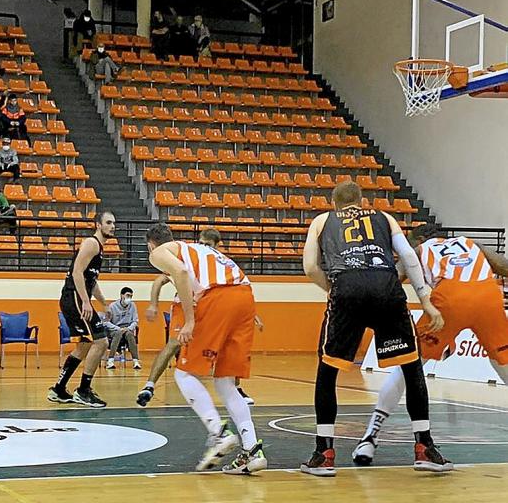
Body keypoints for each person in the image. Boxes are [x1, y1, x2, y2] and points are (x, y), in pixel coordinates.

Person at [300, 181, 452, 476]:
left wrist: (331, 287)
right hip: (386, 285)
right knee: (411, 367)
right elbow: (409, 257)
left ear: (334, 204)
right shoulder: (384, 217)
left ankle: (324, 453)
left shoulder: (322, 221)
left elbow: (309, 267)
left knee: (328, 369)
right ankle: (425, 448)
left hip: (347, 284)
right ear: (362, 201)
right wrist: (427, 302)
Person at [352, 224, 508, 466]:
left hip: (449, 300)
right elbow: (503, 266)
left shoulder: (418, 250)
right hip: (489, 295)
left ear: (421, 239)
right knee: (503, 363)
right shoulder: (469, 242)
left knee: (409, 367)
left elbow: (390, 281)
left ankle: (369, 440)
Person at [145, 223, 267, 474]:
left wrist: (190, 320)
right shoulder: (197, 249)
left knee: (184, 373)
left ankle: (219, 433)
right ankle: (252, 450)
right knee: (225, 382)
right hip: (245, 296)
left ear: (151, 244)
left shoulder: (159, 253)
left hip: (218, 297)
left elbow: (178, 272)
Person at [138, 228, 262, 407]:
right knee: (174, 343)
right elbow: (159, 281)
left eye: (207, 244)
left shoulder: (215, 260)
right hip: (185, 303)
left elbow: (231, 287)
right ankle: (149, 385)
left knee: (226, 346)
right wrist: (153, 304)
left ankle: (235, 388)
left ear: (217, 246)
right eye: (201, 242)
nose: (203, 246)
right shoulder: (180, 254)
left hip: (211, 301)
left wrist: (251, 313)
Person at [47, 212, 116, 408]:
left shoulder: (98, 248)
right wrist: (86, 302)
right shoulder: (91, 243)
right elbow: (77, 271)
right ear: (98, 225)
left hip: (75, 298)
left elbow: (90, 281)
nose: (112, 226)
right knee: (101, 341)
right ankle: (84, 391)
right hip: (74, 297)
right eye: (108, 223)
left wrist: (103, 303)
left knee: (85, 344)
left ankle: (59, 389)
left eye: (114, 223)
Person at [104, 287, 141, 370]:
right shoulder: (112, 306)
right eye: (127, 295)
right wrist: (117, 328)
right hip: (115, 329)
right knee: (118, 333)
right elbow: (106, 322)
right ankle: (110, 361)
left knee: (130, 335)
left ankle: (136, 361)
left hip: (127, 328)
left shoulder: (133, 305)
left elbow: (135, 321)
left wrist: (128, 328)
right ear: (121, 295)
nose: (129, 298)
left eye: (131, 296)